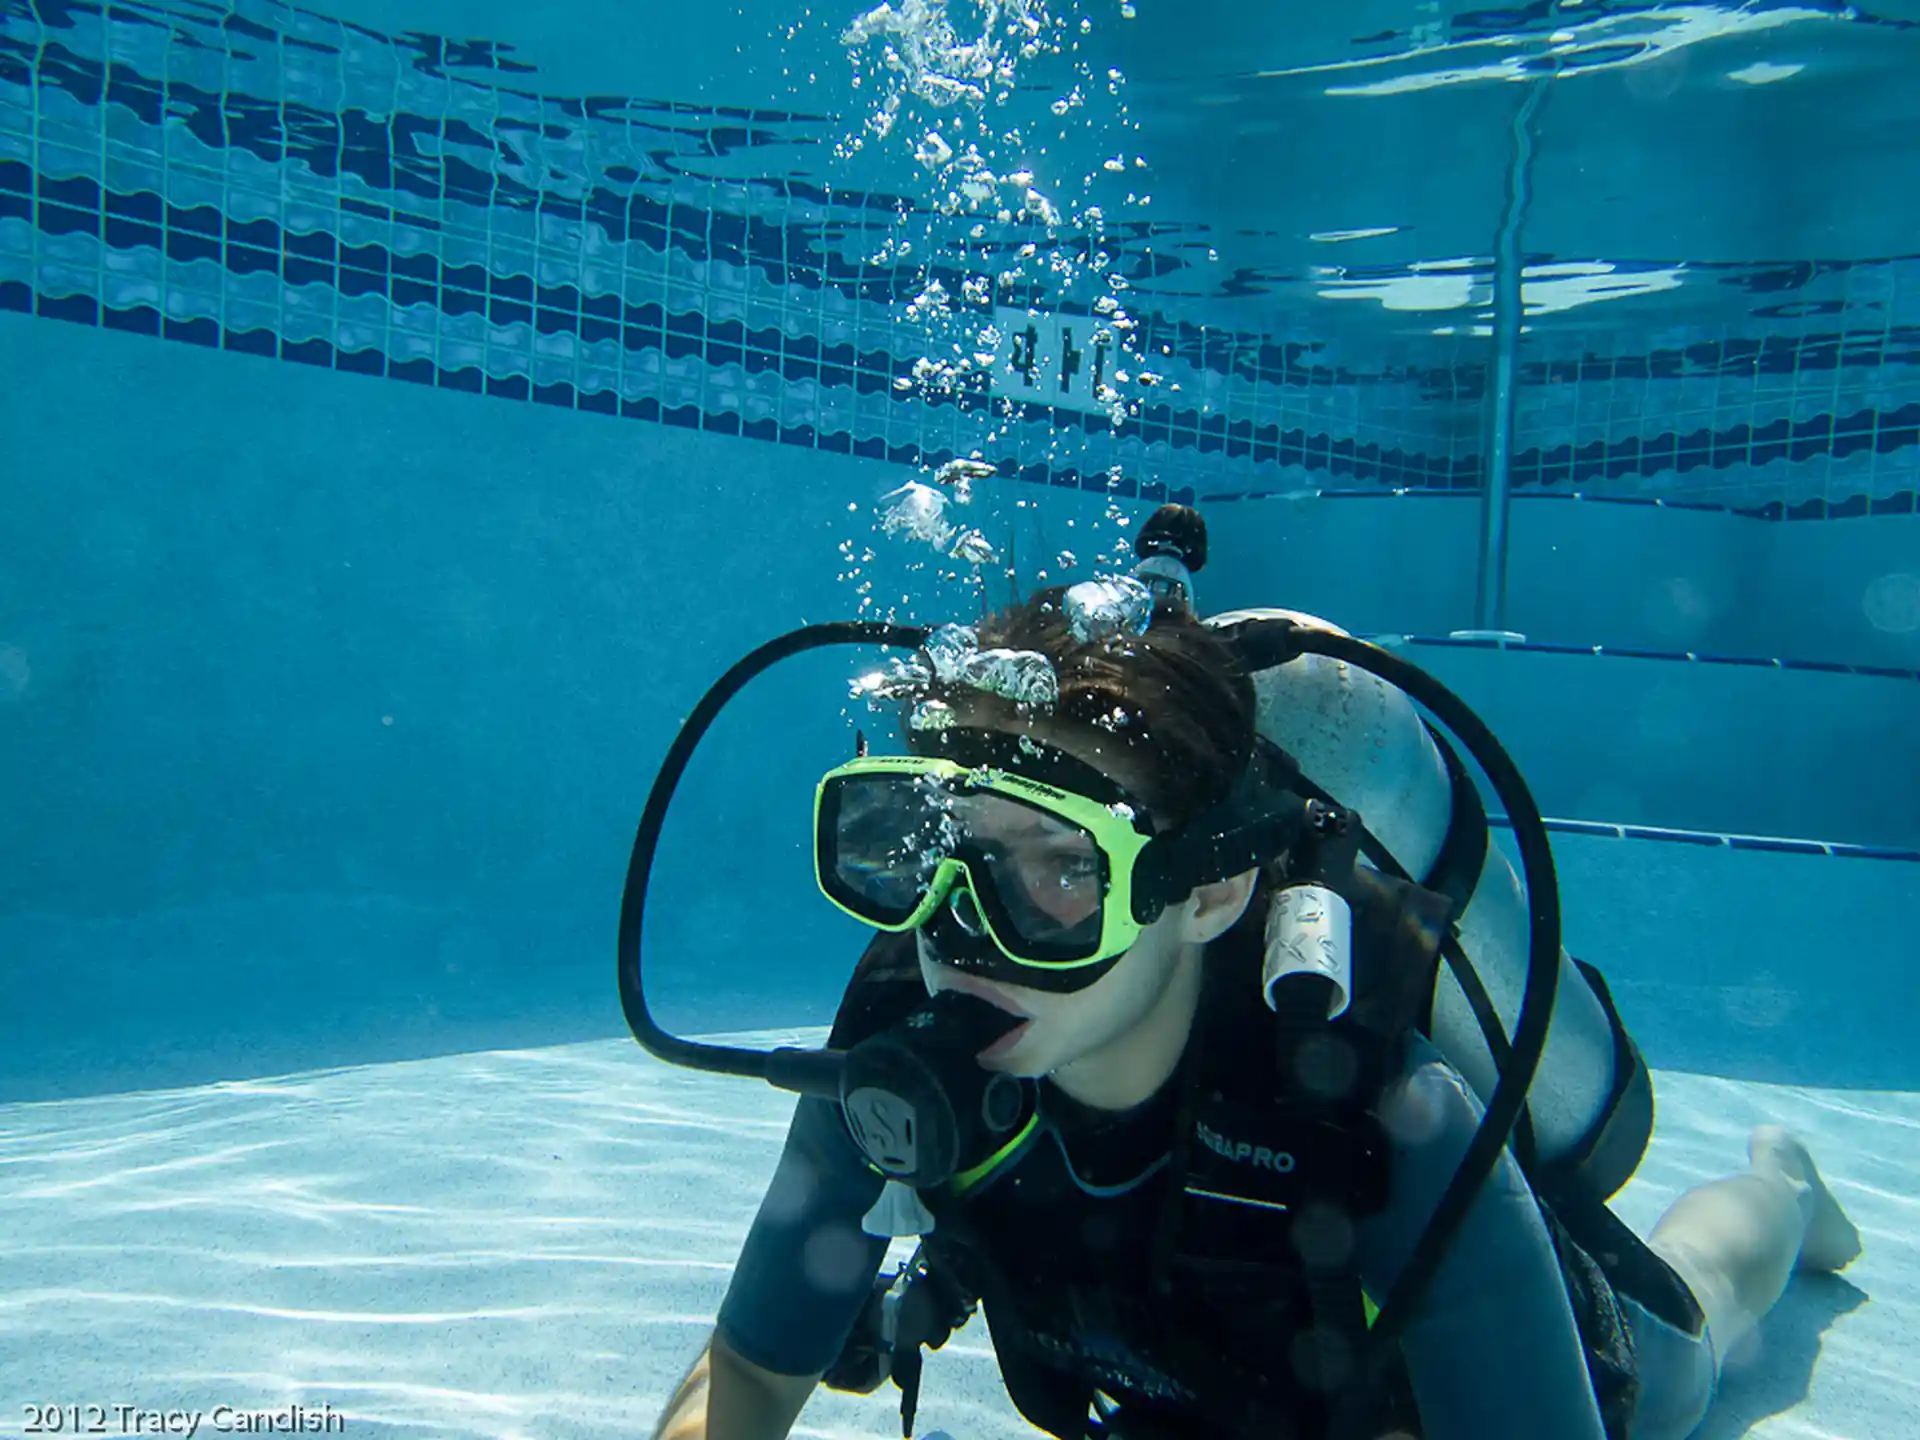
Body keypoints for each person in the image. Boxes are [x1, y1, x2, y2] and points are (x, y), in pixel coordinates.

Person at [648, 585, 1862, 1440]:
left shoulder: (1380, 1113)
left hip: (1504, 1373)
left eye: (1062, 868)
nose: (961, 934)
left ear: (1211, 891)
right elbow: (748, 1371)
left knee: (1702, 1319)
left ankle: (1788, 1188)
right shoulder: (897, 1059)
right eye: (933, 849)